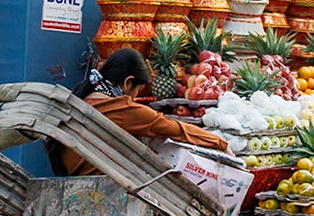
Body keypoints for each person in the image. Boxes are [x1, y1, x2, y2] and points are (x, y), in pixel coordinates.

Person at [56, 49, 226, 174]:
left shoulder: (84, 98)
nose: (136, 96)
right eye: (139, 89)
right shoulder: (122, 109)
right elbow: (173, 128)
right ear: (127, 83)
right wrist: (220, 143)